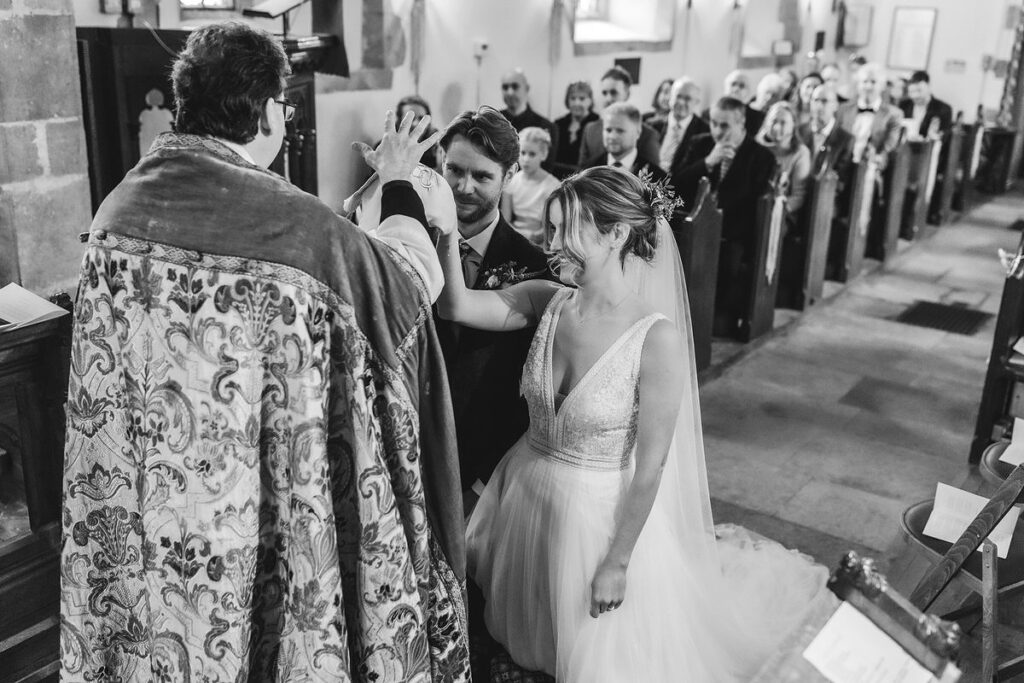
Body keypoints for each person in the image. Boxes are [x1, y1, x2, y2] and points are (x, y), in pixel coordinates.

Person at [60, 21, 470, 682]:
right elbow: (408, 282)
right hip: (255, 512)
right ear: (272, 111)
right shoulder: (299, 228)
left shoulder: (118, 208)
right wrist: (397, 182)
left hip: (148, 514)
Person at [435, 167, 829, 681]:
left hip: (596, 519)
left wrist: (617, 562)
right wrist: (444, 233)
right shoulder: (544, 299)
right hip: (525, 499)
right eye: (550, 228)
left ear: (616, 233)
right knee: (531, 638)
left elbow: (653, 463)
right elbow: (456, 304)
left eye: (564, 230)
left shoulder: (655, 338)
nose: (550, 244)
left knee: (598, 656)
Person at [671, 96, 777, 337]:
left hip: (732, 233)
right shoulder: (700, 144)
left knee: (729, 259)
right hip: (693, 225)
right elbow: (675, 184)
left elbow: (753, 205)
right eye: (713, 123)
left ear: (741, 123)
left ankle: (709, 321)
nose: (717, 131)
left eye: (725, 125)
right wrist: (707, 162)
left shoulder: (761, 156)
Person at [578, 66, 660, 165]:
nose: (608, 98)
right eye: (604, 93)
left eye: (613, 93)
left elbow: (652, 177)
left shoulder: (648, 135)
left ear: (627, 94)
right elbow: (582, 172)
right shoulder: (590, 130)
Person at [836, 62, 904, 168]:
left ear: (882, 86)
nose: (868, 86)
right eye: (864, 82)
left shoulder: (893, 114)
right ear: (858, 85)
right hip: (842, 165)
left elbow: (889, 147)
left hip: (872, 168)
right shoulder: (843, 109)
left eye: (873, 82)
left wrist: (876, 160)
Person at [503, 126, 562, 246]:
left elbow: (552, 225)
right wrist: (516, 235)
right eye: (523, 153)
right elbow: (505, 219)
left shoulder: (552, 185)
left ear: (543, 155)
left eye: (532, 154)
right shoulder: (511, 180)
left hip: (541, 241)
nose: (526, 159)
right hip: (513, 235)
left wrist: (533, 237)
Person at [581, 102, 667, 181]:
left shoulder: (658, 178)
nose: (612, 136)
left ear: (637, 132)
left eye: (620, 131)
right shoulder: (587, 171)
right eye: (608, 130)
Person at [756, 102, 811, 217]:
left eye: (783, 123)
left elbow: (798, 196)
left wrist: (775, 212)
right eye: (774, 121)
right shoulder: (756, 147)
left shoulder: (800, 153)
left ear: (793, 125)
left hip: (782, 213)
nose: (777, 127)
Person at [500, 68, 558, 165]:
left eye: (515, 86)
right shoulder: (491, 121)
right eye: (505, 87)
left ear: (526, 88)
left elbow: (545, 168)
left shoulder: (546, 127)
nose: (510, 92)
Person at [654, 77, 709, 172]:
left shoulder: (704, 131)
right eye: (678, 96)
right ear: (671, 97)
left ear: (696, 102)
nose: (681, 102)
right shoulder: (652, 125)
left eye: (687, 98)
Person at [552, 80, 599, 178]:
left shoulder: (597, 124)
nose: (576, 103)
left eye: (582, 99)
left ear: (590, 101)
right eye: (573, 98)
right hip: (556, 176)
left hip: (585, 178)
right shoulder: (558, 123)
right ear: (567, 101)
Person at [899, 70, 953, 139]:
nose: (915, 96)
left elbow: (945, 135)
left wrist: (935, 136)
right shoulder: (903, 105)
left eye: (919, 90)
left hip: (928, 147)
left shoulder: (943, 109)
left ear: (928, 87)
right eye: (912, 92)